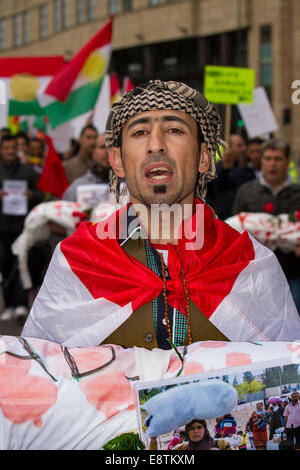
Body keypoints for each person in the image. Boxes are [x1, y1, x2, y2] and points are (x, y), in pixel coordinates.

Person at [21, 80, 300, 348]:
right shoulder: (77, 261)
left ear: (204, 157)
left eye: (175, 130)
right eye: (139, 132)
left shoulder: (251, 263)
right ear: (117, 161)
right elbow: (37, 379)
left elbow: (288, 378)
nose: (156, 144)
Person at [232, 138, 300, 313]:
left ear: (287, 162)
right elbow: (235, 234)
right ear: (261, 161)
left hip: (292, 274)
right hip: (256, 277)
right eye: (268, 158)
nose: (272, 164)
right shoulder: (246, 192)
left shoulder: (297, 194)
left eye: (277, 159)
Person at [0, 135, 44, 321]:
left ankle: (20, 304)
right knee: (4, 265)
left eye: (13, 147)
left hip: (23, 227)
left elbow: (41, 193)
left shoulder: (28, 171)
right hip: (2, 228)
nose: (10, 151)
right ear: (1, 150)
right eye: (7, 148)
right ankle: (8, 305)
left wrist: (31, 195)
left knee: (21, 265)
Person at [207, 134, 254, 220]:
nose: (244, 149)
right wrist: (225, 169)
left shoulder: (247, 168)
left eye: (244, 145)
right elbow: (214, 192)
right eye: (239, 146)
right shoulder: (216, 169)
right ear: (230, 148)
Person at [62, 134, 110, 202]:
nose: (107, 151)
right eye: (102, 147)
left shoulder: (128, 186)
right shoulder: (77, 188)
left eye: (111, 146)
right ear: (93, 153)